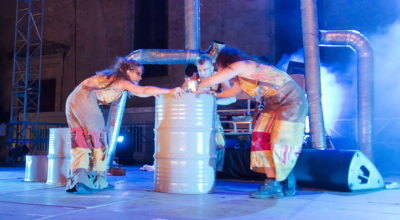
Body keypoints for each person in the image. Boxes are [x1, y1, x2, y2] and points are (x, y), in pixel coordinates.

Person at [196, 47, 308, 198]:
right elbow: (233, 92)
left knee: (281, 140)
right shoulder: (240, 78)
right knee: (259, 136)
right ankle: (273, 183)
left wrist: (198, 90)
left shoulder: (244, 65)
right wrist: (212, 97)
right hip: (274, 103)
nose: (217, 69)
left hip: (292, 99)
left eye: (218, 66)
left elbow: (215, 78)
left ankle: (285, 177)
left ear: (224, 62)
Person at [65, 57, 184, 193]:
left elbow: (140, 91)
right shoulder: (120, 80)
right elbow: (142, 90)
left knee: (79, 142)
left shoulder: (112, 78)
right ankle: (99, 182)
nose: (140, 77)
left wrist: (154, 92)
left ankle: (76, 182)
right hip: (84, 99)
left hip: (72, 100)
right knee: (98, 140)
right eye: (137, 73)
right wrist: (169, 91)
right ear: (128, 71)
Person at [182, 54, 236, 172]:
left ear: (212, 67)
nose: (203, 73)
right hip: (195, 117)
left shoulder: (220, 77)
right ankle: (195, 170)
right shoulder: (194, 78)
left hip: (211, 115)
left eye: (205, 69)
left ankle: (214, 172)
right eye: (200, 70)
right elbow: (181, 96)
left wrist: (215, 99)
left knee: (219, 144)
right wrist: (184, 89)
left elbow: (232, 98)